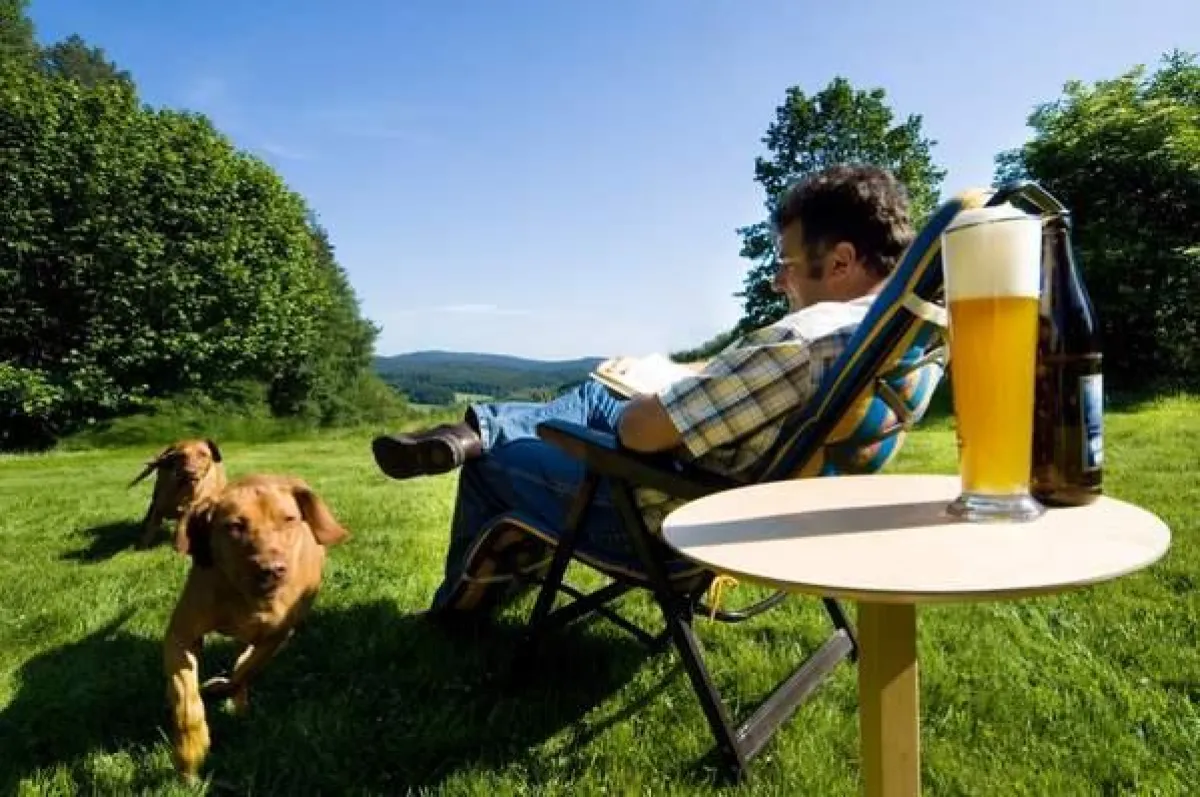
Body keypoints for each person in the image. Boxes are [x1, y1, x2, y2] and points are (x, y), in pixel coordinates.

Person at [372, 163, 916, 615]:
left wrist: (646, 398)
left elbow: (638, 433)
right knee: (592, 393)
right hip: (758, 512)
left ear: (842, 261)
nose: (777, 281)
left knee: (498, 462)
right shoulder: (898, 337)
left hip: (672, 531)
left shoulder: (803, 341)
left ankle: (456, 609)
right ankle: (476, 429)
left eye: (787, 264)